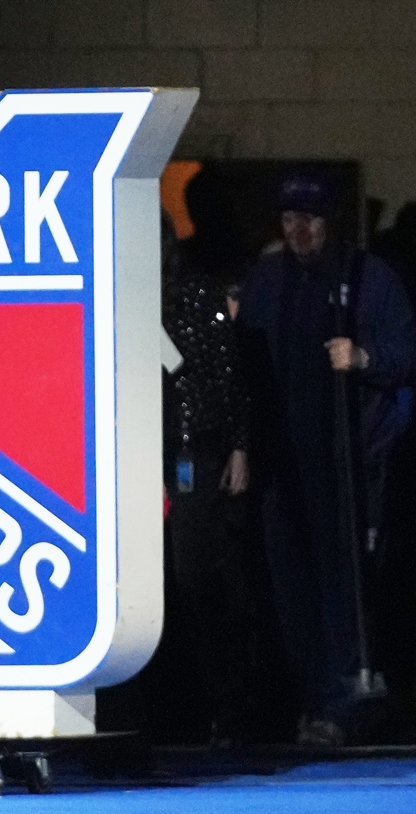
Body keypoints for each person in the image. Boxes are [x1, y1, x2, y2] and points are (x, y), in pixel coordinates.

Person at [237, 172, 415, 746]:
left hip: (346, 464)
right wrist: (242, 446)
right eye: (290, 218)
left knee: (344, 587)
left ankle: (343, 706)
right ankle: (309, 704)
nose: (300, 231)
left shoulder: (366, 277)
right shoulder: (268, 280)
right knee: (290, 591)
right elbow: (244, 369)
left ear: (330, 221)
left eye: (310, 219)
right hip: (281, 464)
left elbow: (404, 351)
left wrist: (363, 357)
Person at [157, 212, 253, 745]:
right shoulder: (117, 295)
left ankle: (227, 707)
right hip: (140, 454)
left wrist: (239, 444)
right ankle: (176, 712)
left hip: (192, 450)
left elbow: (226, 372)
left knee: (195, 578)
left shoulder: (194, 293)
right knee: (162, 585)